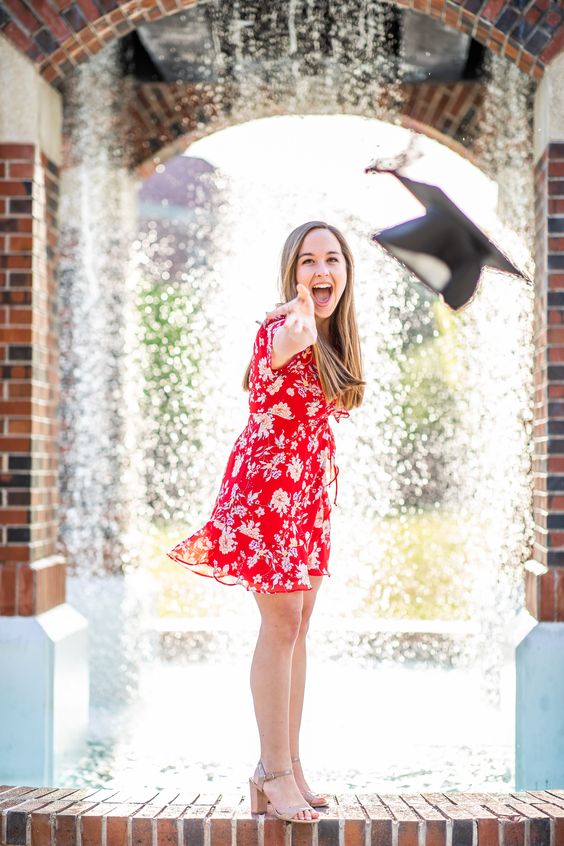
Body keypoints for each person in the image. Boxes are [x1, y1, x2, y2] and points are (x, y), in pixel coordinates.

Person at [167, 221, 365, 823]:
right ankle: (271, 770)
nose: (321, 271)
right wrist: (295, 315)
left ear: (347, 271)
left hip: (306, 494)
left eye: (332, 259)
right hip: (269, 491)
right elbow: (291, 335)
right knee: (280, 624)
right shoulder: (286, 328)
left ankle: (288, 766)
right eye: (307, 261)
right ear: (292, 271)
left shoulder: (334, 338)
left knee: (298, 624)